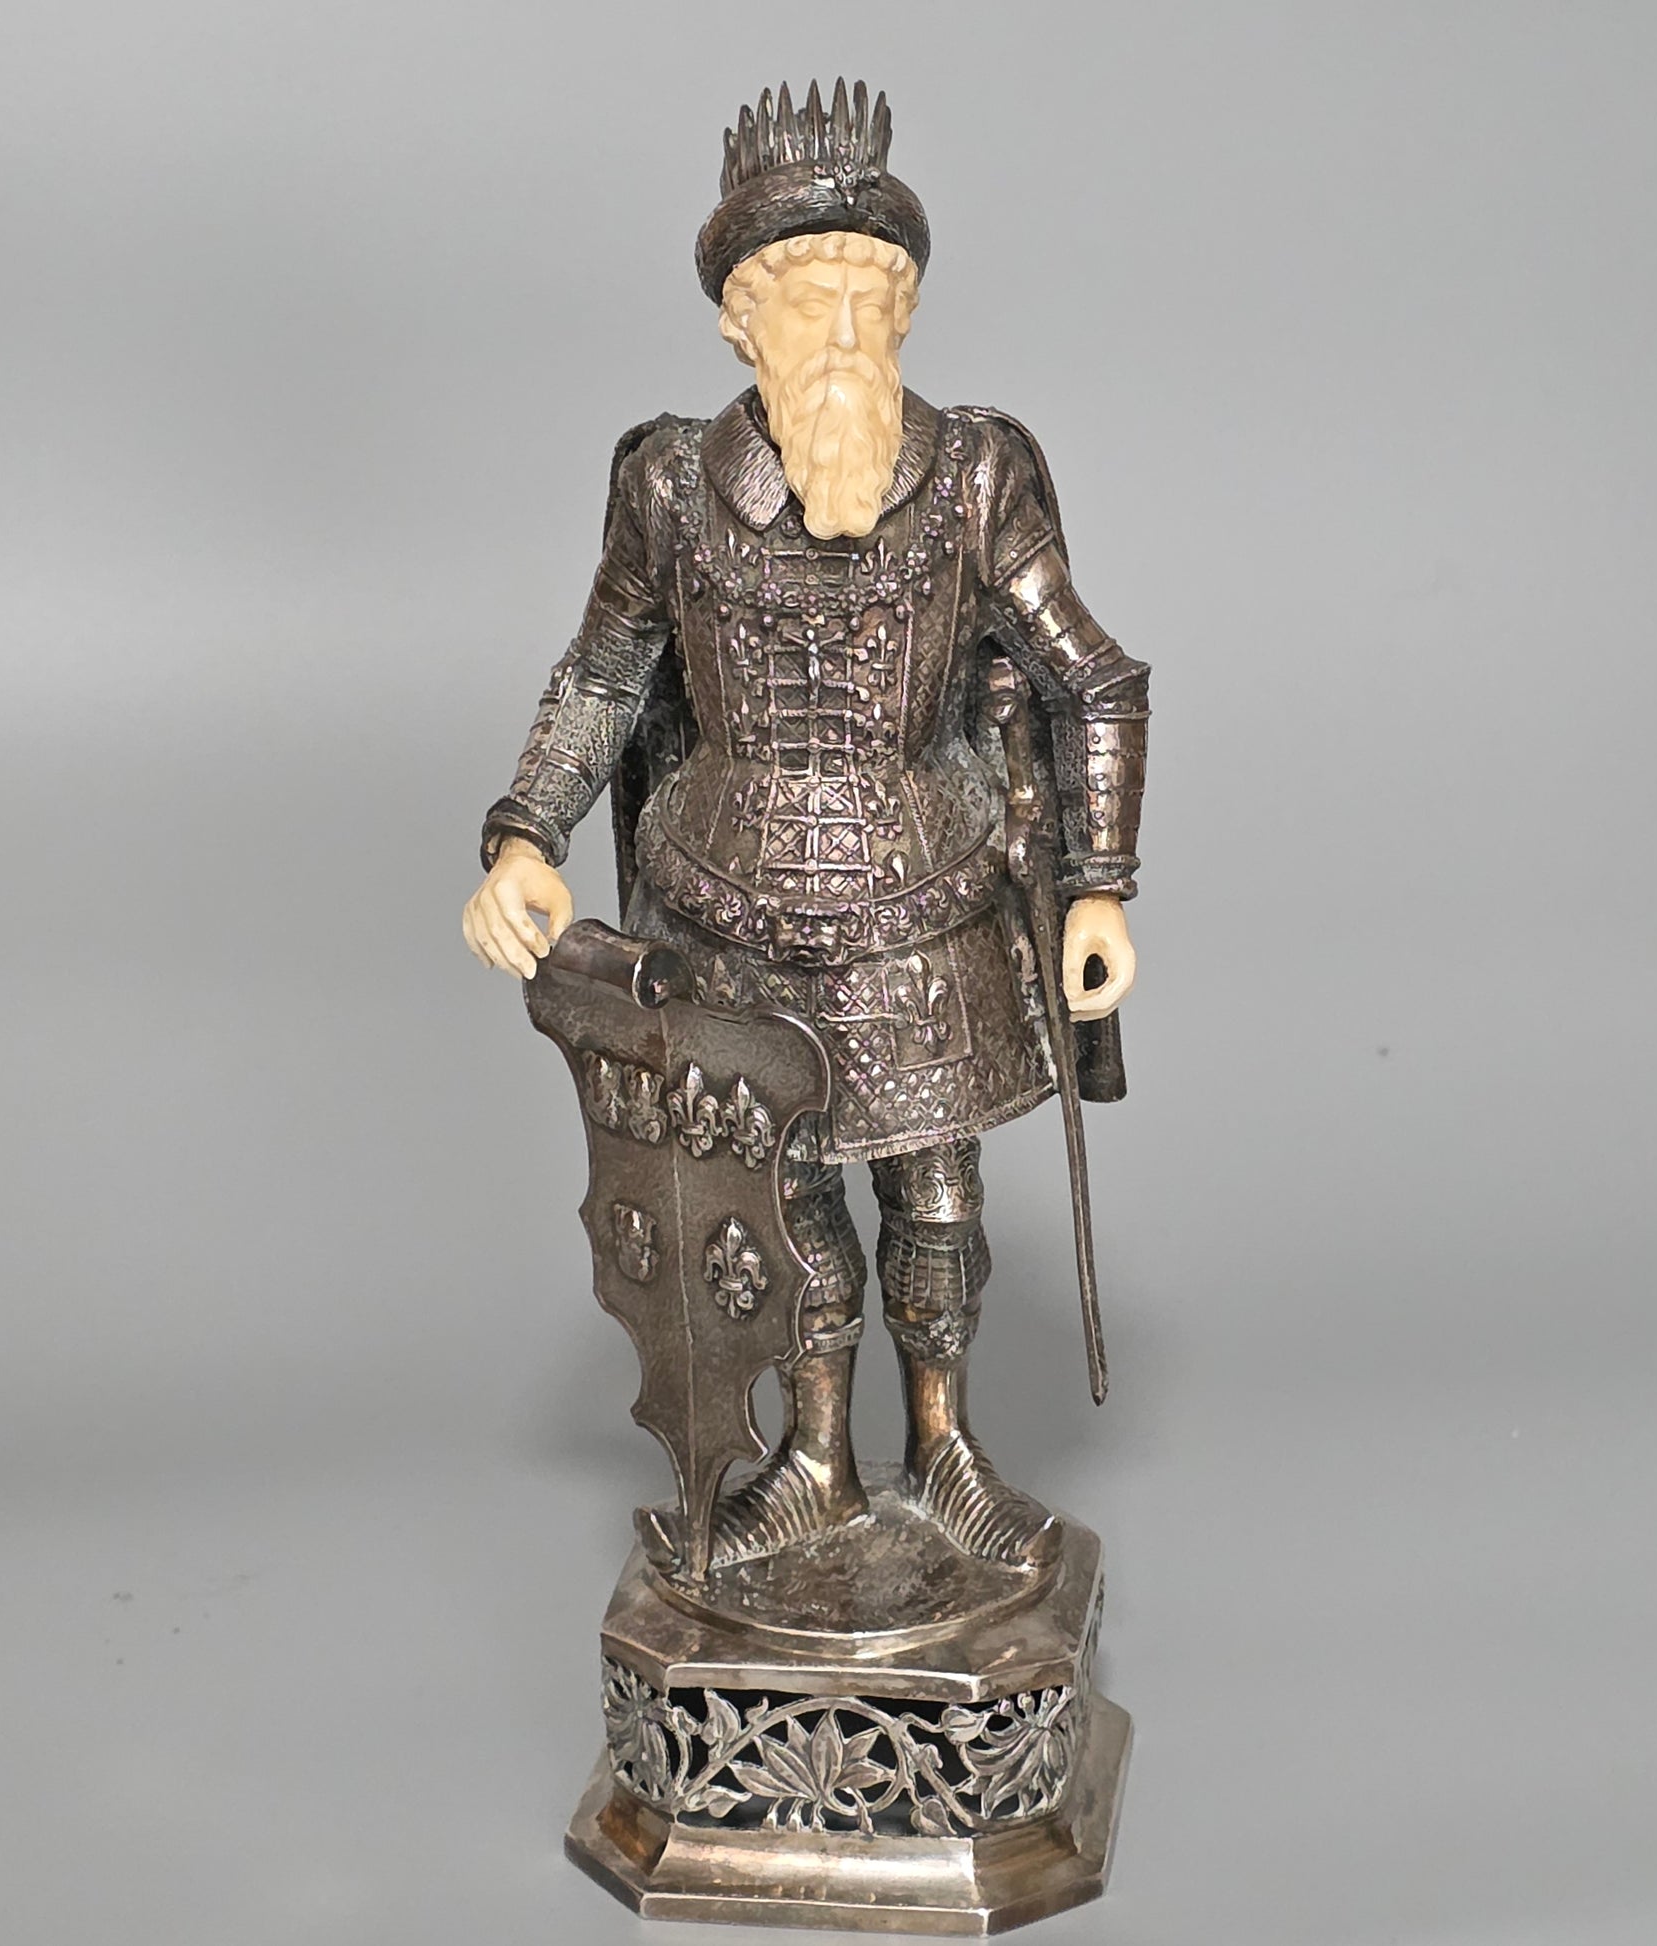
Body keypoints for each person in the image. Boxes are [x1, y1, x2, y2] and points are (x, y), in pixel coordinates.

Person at [463, 81, 1149, 1573]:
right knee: (779, 1197)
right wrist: (525, 833)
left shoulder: (976, 479)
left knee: (936, 1194)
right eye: (806, 306)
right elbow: (604, 672)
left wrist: (1099, 886)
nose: (844, 339)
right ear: (738, 324)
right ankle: (817, 1460)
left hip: (927, 897)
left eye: (870, 306)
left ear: (909, 315)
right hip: (729, 903)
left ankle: (946, 1447)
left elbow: (1090, 678)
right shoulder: (668, 488)